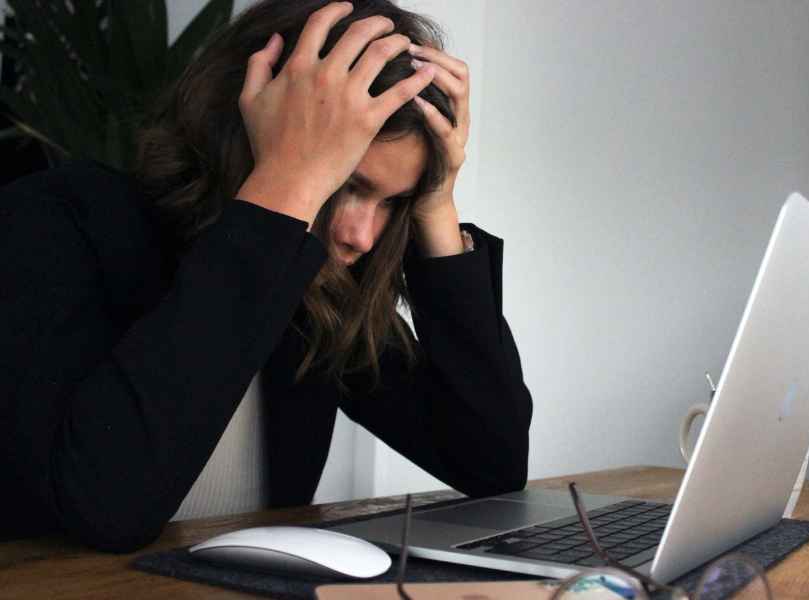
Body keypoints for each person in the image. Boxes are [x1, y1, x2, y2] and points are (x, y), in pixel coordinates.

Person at [0, 0, 532, 552]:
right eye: (345, 183)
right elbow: (105, 509)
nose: (361, 236)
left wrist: (435, 206)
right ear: (246, 128)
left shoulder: (314, 291)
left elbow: (490, 461)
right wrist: (286, 185)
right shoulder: (53, 222)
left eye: (392, 202)